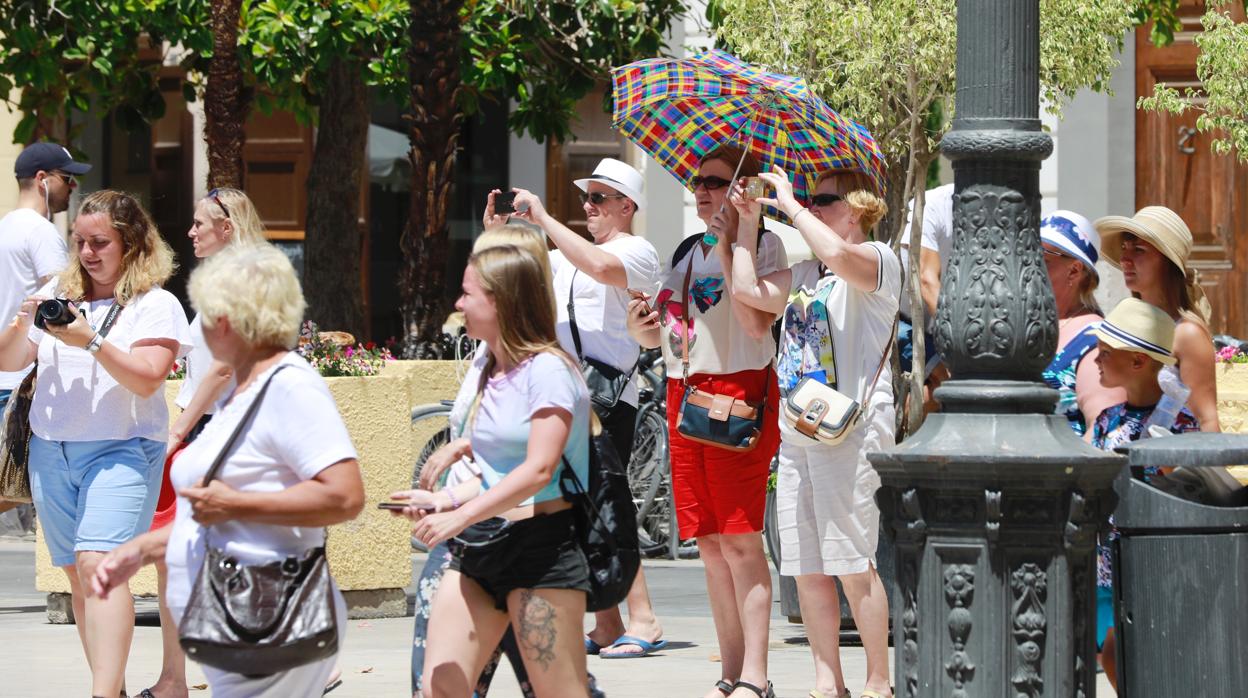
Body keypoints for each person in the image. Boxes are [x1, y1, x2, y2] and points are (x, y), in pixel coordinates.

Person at [89, 243, 366, 696]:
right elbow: (217, 514)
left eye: (201, 315)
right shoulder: (240, 391)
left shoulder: (290, 384)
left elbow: (345, 495)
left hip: (271, 621)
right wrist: (146, 548)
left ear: (225, 322)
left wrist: (237, 503)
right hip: (238, 624)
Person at [0, 190, 191, 698]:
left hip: (123, 449)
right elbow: (9, 360)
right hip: (51, 451)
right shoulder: (61, 293)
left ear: (130, 244)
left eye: (99, 242)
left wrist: (89, 339)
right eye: (79, 241)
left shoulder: (156, 304)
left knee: (99, 567)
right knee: (78, 577)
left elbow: (149, 379)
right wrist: (26, 318)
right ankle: (114, 688)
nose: (87, 252)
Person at [729, 166, 897, 698]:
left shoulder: (879, 261)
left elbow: (843, 258)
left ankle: (877, 681)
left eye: (825, 200)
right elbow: (747, 291)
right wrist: (746, 226)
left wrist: (791, 205)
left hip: (852, 430)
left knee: (851, 560)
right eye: (810, 199)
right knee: (805, 566)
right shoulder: (807, 274)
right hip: (800, 432)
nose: (812, 206)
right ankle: (829, 683)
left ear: (859, 208)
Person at [626, 145, 784, 698]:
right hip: (683, 395)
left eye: (716, 182)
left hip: (738, 394)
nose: (702, 190)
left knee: (742, 541)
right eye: (698, 181)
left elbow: (754, 323)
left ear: (744, 190)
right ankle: (732, 672)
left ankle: (756, 677)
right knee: (711, 545)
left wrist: (731, 241)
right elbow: (661, 336)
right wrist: (639, 323)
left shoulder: (764, 246)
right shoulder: (684, 250)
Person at [408, 244, 594, 698]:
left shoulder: (548, 370)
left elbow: (538, 470)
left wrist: (459, 516)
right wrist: (444, 500)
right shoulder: (492, 366)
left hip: (542, 552)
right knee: (441, 685)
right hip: (478, 550)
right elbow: (496, 470)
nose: (458, 303)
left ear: (501, 301)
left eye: (468, 292)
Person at [501, 158, 668, 659]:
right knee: (582, 512)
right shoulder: (564, 257)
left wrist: (545, 218)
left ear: (626, 206)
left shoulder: (637, 252)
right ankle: (608, 622)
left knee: (606, 505)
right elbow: (521, 286)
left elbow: (600, 267)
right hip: (567, 395)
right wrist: (501, 236)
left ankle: (645, 619)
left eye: (598, 199)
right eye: (586, 199)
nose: (588, 208)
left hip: (608, 400)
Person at [142, 188, 270, 698]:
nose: (191, 231)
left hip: (219, 433)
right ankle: (177, 678)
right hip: (215, 430)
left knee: (198, 558)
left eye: (200, 224)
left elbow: (221, 368)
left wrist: (179, 429)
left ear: (227, 229)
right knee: (183, 558)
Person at [1086, 297, 1200, 689]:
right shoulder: (1107, 421)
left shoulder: (1181, 425)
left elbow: (1188, 488)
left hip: (1157, 562)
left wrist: (1167, 448)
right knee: (1112, 650)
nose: (1095, 361)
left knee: (1154, 649)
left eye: (1104, 353)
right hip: (1107, 559)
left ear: (1137, 362)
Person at [0, 143, 85, 516]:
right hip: (22, 379)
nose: (73, 187)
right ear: (42, 180)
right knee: (29, 486)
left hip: (7, 367)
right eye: (67, 179)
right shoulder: (41, 233)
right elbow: (62, 303)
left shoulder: (4, 228)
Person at [1095, 206, 1220, 432]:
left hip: (1172, 462)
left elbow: (1207, 419)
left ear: (1167, 262)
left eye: (1139, 250)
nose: (1124, 259)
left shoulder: (1186, 334)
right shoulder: (1125, 323)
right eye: (1124, 247)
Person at [1039, 210, 1125, 439]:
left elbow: (1103, 430)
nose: (1031, 266)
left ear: (1074, 270)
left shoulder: (1094, 340)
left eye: (1043, 259)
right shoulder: (1033, 324)